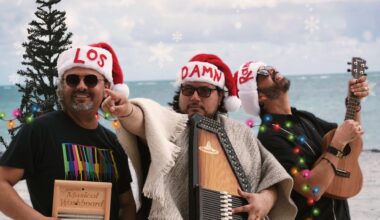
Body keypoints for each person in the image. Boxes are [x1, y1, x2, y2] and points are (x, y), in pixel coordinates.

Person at [102, 54, 297, 219]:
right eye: (188, 90)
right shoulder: (168, 121)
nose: (195, 97)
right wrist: (126, 110)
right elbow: (143, 117)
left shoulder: (241, 134)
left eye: (204, 91)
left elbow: (273, 177)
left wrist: (265, 200)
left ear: (220, 97)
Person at [0, 42, 136, 219]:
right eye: (72, 79)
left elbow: (126, 204)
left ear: (107, 88)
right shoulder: (40, 130)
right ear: (62, 86)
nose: (81, 86)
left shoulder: (113, 142)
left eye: (91, 80)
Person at [235, 61, 369, 219]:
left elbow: (350, 141)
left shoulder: (303, 117)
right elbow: (312, 189)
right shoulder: (270, 138)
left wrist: (354, 104)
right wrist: (338, 143)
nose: (272, 70)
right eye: (263, 73)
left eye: (269, 66)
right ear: (260, 96)